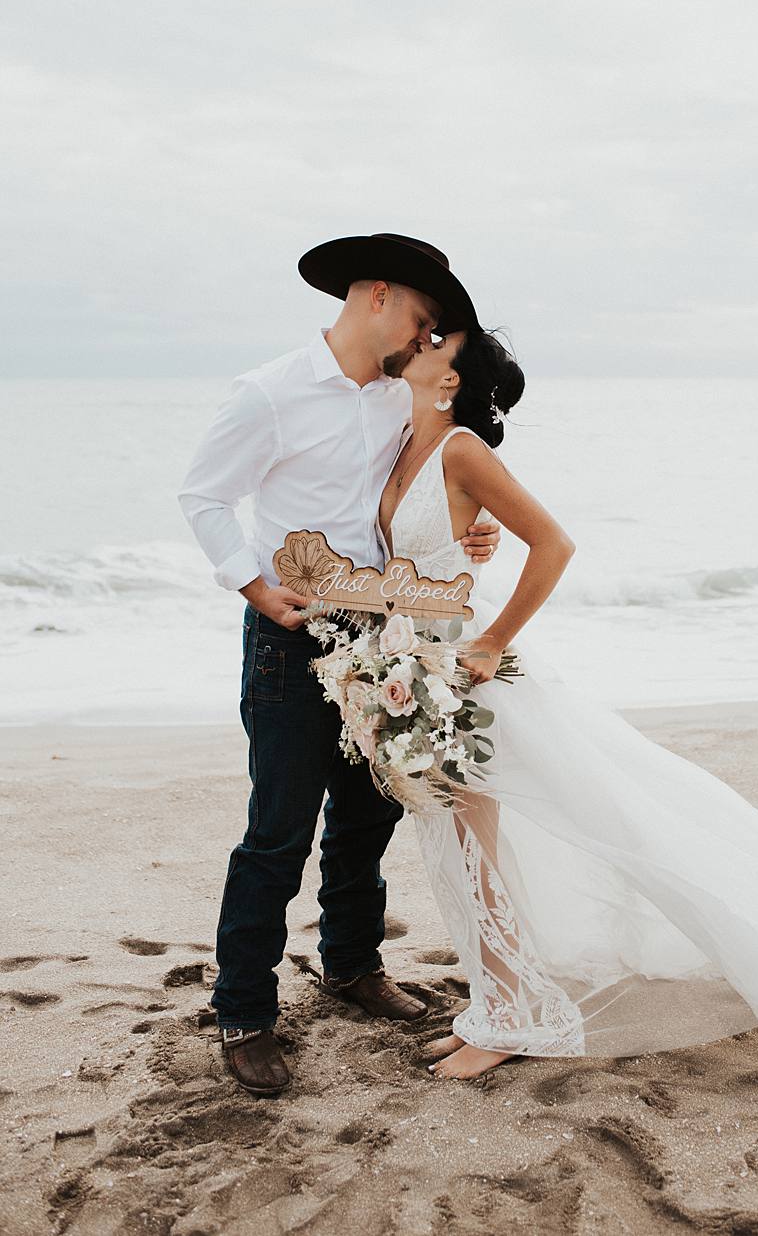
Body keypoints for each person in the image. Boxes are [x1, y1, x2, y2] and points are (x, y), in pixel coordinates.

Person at [373, 326, 758, 1080]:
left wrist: (493, 640)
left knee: (511, 835)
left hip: (467, 674)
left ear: (451, 380)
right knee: (461, 844)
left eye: (438, 342)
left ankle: (512, 1018)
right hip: (410, 663)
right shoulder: (401, 441)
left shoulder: (462, 448)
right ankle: (502, 1008)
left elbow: (555, 545)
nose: (421, 341)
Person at [177, 234, 499, 1096]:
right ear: (379, 297)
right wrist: (250, 586)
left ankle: (351, 966)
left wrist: (473, 529)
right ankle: (244, 1010)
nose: (426, 342)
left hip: (388, 636)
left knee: (366, 819)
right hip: (293, 632)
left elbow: (422, 489)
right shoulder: (269, 392)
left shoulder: (405, 395)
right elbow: (202, 495)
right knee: (278, 830)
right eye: (424, 322)